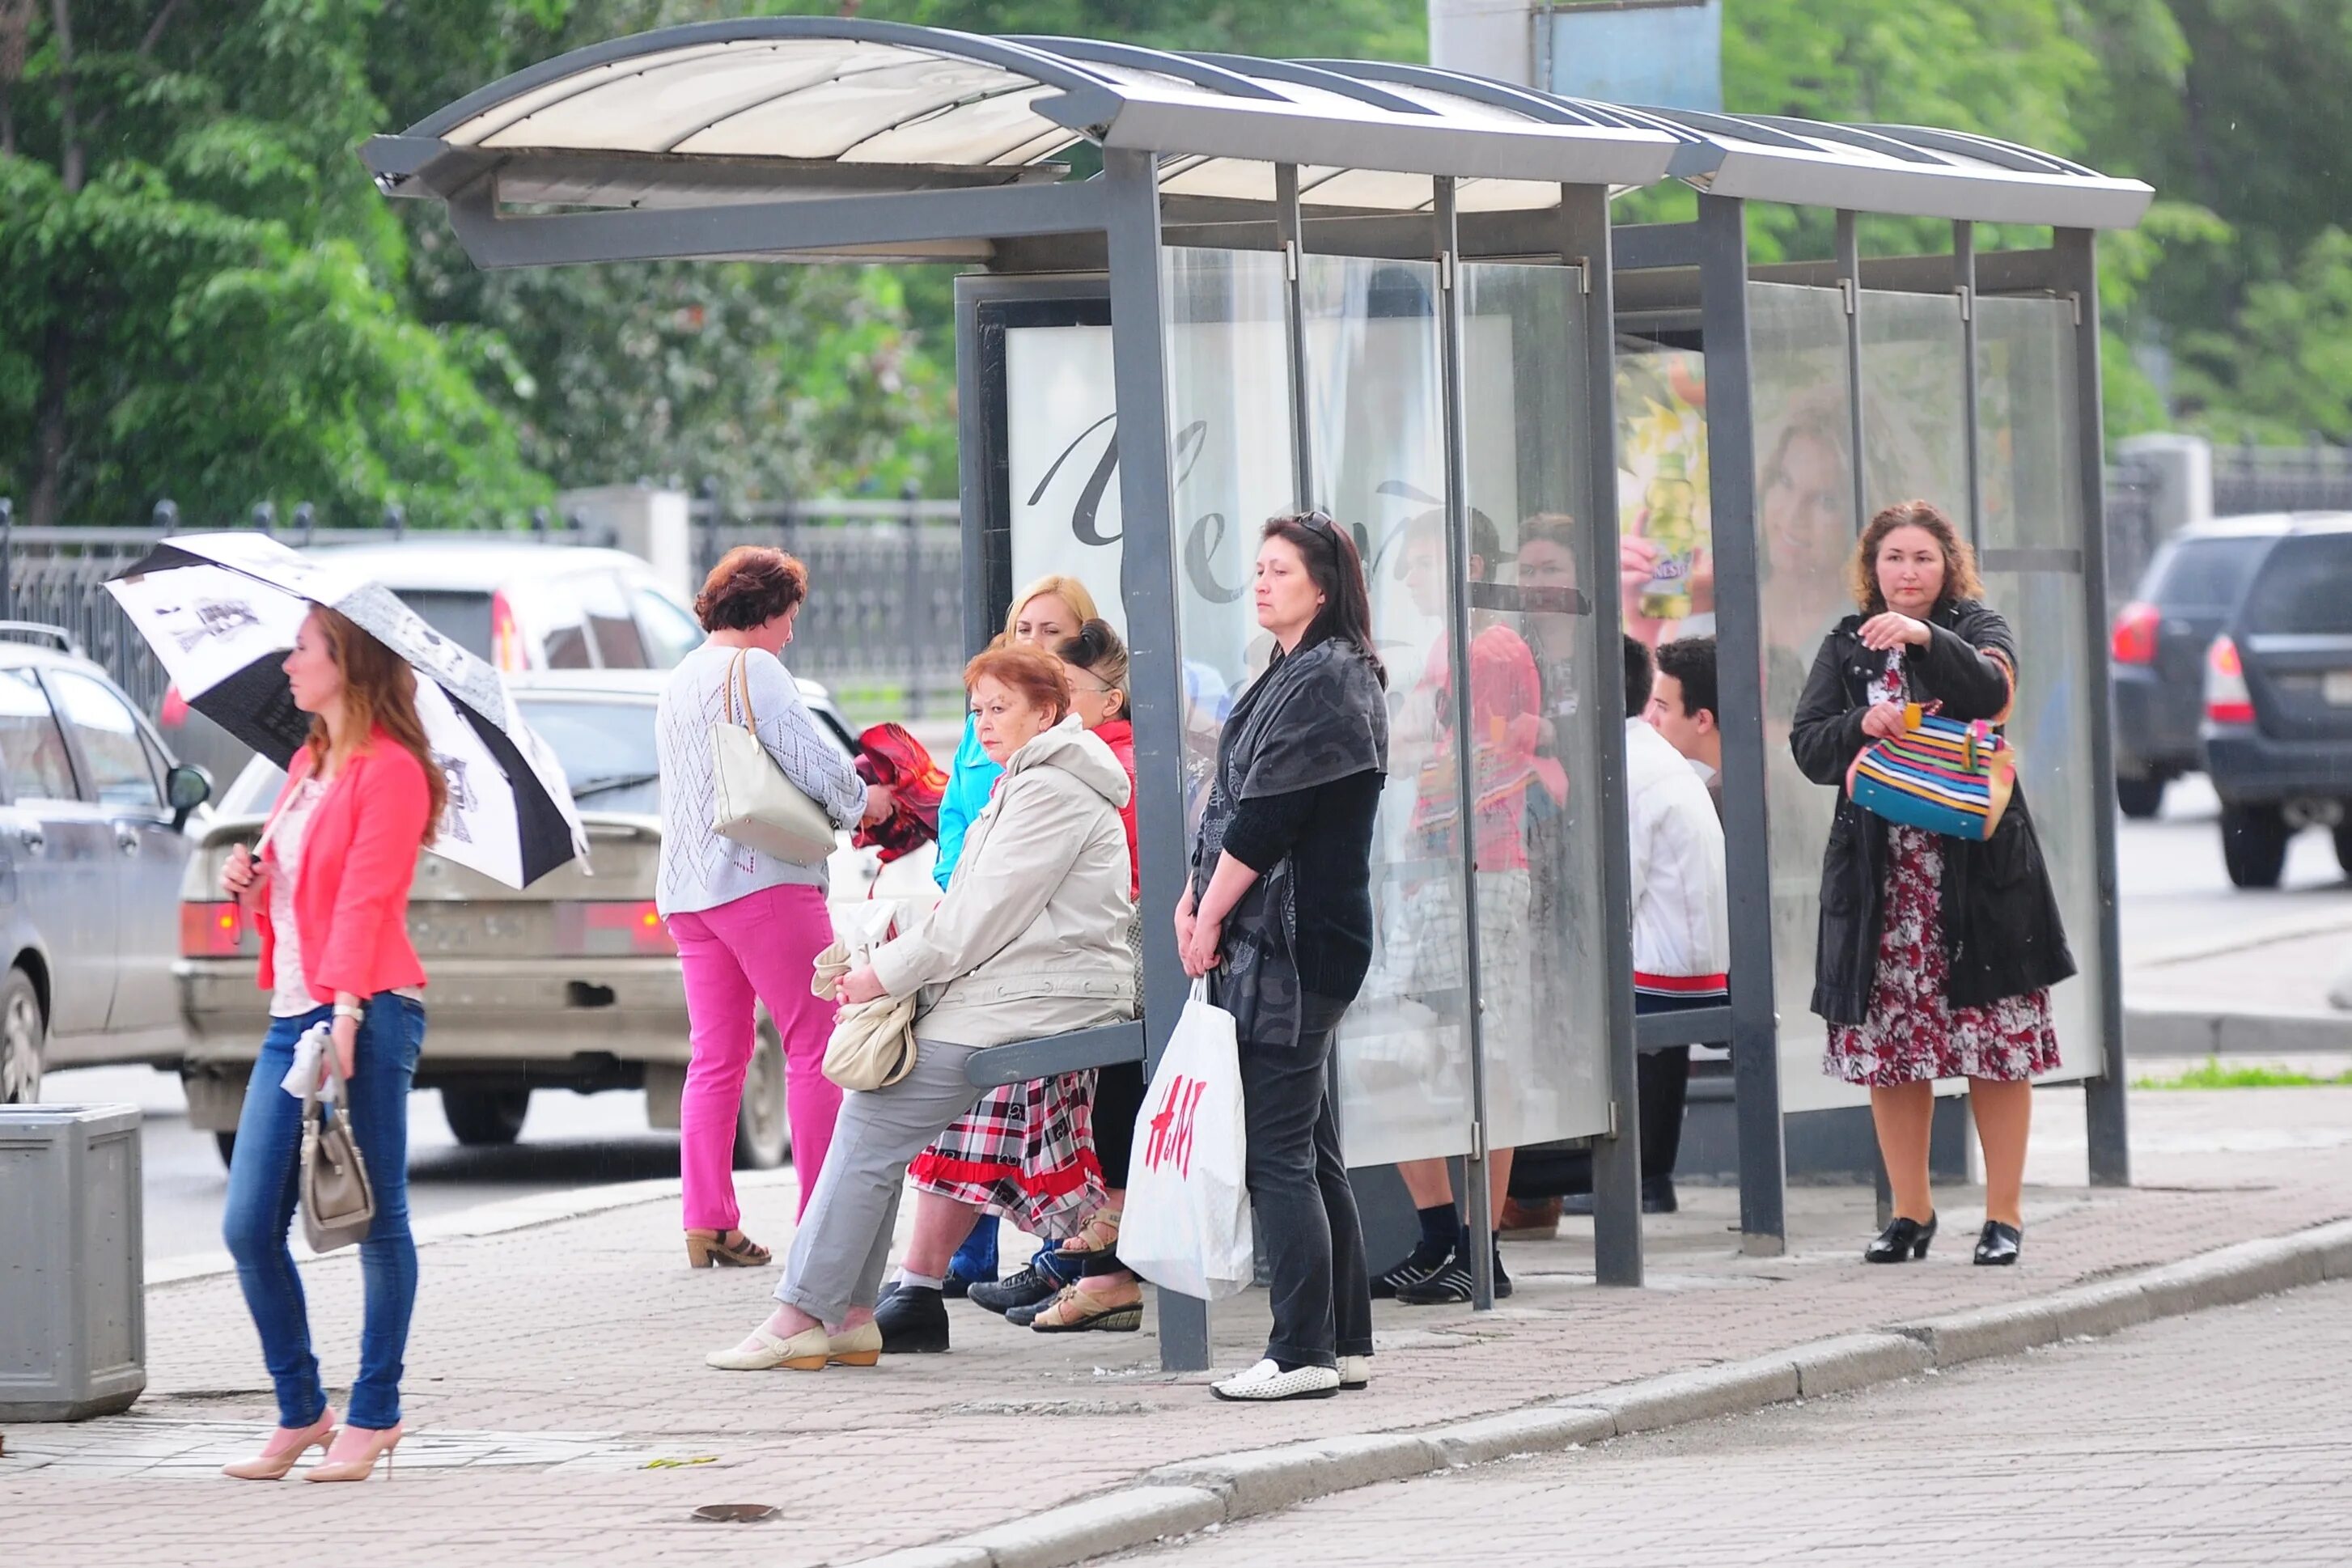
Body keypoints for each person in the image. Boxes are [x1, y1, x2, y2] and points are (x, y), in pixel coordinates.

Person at [705, 646, 1134, 1372]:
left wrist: (882, 974)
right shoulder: (1032, 781)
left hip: (1038, 995)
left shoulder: (1050, 790)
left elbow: (978, 920)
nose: (985, 723)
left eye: (1001, 708)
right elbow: (978, 913)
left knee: (870, 1123)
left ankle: (804, 1313)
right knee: (871, 1123)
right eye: (977, 709)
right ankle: (843, 1314)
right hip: (1026, 987)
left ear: (1049, 712)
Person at [1791, 500, 2074, 1268]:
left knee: (1994, 1046)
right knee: (1891, 1052)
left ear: (1948, 564)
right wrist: (1862, 726)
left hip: (1979, 879)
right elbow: (1808, 747)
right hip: (1883, 880)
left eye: (1921, 557)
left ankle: (2003, 1216)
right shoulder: (1844, 644)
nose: (1906, 572)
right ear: (1870, 567)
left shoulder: (1977, 628)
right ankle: (1909, 1214)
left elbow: (1989, 693)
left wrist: (1924, 638)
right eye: (1892, 558)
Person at [218, 605, 447, 1483]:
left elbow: (366, 897)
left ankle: (376, 1412)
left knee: (375, 1218)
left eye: (304, 649)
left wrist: (347, 1010)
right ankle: (302, 1408)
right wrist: (254, 876)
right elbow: (305, 888)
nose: (287, 665)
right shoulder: (309, 762)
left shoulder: (392, 774)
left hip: (366, 1010)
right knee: (249, 1227)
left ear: (347, 665)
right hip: (293, 1017)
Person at [1180, 511, 1388, 1402]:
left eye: (1278, 570)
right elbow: (1240, 809)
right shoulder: (1298, 670)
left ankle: (1302, 1355)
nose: (1260, 582)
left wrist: (1204, 914)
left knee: (1280, 1155)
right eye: (1257, 569)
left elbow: (1267, 821)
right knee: (1309, 1144)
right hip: (1285, 939)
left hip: (1294, 945)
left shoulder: (1327, 681)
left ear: (1323, 586)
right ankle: (1340, 1338)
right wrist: (1201, 898)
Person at [656, 547, 885, 1270]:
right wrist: (863, 802)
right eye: (789, 617)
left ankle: (707, 1219)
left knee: (715, 1057)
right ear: (765, 610)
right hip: (762, 881)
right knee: (816, 1044)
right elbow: (810, 761)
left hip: (690, 894)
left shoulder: (681, 676)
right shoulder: (756, 669)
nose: (790, 634)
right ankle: (821, 1222)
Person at [1374, 511, 1549, 1307]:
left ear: (1467, 561)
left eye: (1420, 562)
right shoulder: (1457, 648)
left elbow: (1484, 756)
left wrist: (1409, 747)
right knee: (1431, 1051)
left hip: (1475, 867)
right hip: (1445, 868)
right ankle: (1447, 1236)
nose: (1408, 578)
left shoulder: (1487, 648)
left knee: (1477, 1051)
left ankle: (1478, 1247)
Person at [929, 574, 1101, 1298]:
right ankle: (955, 1259)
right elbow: (954, 812)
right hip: (971, 919)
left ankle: (1074, 1254)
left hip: (1026, 943)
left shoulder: (1071, 749)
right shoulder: (989, 722)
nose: (1033, 642)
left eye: (1051, 632)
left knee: (1004, 1094)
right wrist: (949, 887)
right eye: (1023, 628)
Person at [1007, 619, 1152, 1333]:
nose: (1057, 702)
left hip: (1116, 964)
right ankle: (1101, 1272)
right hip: (1116, 960)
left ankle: (1106, 1260)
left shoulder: (1100, 764)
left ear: (1112, 697)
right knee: (1104, 1102)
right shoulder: (1100, 755)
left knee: (1105, 1101)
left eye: (1068, 690)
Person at [1649, 635, 1723, 822]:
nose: (1651, 719)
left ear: (1702, 720)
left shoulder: (1725, 798)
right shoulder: (1769, 767)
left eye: (1663, 707)